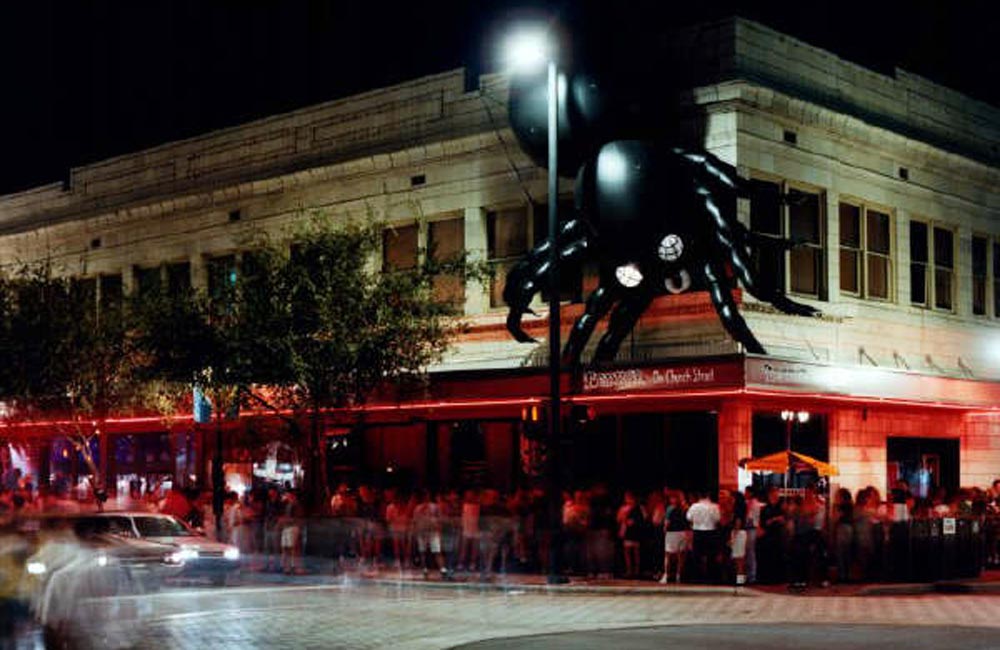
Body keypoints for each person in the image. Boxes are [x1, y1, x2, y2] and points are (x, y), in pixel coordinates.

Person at [412, 490, 449, 579]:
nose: (426, 498)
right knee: (423, 551)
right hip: (422, 532)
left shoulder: (435, 506)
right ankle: (424, 569)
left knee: (437, 551)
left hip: (433, 531)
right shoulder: (417, 508)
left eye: (427, 496)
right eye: (424, 496)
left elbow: (440, 518)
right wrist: (416, 530)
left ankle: (442, 569)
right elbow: (415, 520)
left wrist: (438, 527)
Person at [687, 491, 721, 583]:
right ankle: (711, 577)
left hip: (698, 532)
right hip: (711, 532)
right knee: (711, 555)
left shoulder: (694, 506)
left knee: (697, 555)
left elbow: (689, 518)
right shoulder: (714, 506)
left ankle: (697, 577)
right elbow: (717, 519)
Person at [660, 491, 688, 584]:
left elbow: (667, 522)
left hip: (672, 533)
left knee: (668, 555)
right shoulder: (685, 508)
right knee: (681, 556)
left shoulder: (670, 508)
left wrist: (664, 529)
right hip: (682, 533)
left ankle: (666, 575)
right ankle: (678, 576)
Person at [617, 491, 645, 579]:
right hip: (627, 532)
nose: (628, 500)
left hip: (636, 532)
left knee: (636, 552)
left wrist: (634, 522)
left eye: (629, 498)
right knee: (627, 552)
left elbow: (642, 519)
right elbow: (619, 519)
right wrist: (623, 518)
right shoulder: (624, 508)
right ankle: (629, 570)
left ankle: (636, 571)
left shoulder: (639, 508)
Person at [833, 488, 854, 583]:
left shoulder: (839, 506)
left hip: (842, 528)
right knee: (848, 552)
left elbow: (836, 518)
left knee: (841, 552)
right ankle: (848, 574)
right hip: (849, 528)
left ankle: (842, 575)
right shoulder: (851, 506)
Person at [729, 490, 748, 585]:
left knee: (739, 558)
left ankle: (740, 580)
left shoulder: (738, 510)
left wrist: (732, 538)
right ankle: (740, 578)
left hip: (739, 533)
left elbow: (738, 523)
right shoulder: (742, 509)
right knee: (739, 558)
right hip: (741, 533)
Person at [744, 487, 762, 584]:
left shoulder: (755, 504)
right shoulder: (749, 503)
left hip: (752, 529)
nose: (745, 493)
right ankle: (749, 575)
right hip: (749, 529)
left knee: (751, 553)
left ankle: (752, 576)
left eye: (746, 492)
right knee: (748, 553)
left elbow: (751, 519)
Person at [263, 486, 283, 572]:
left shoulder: (280, 503)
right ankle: (267, 565)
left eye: (272, 492)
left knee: (276, 547)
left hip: (275, 526)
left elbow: (280, 515)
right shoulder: (268, 502)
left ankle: (277, 565)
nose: (270, 493)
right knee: (267, 547)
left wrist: (278, 525)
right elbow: (266, 514)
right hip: (269, 526)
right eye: (270, 492)